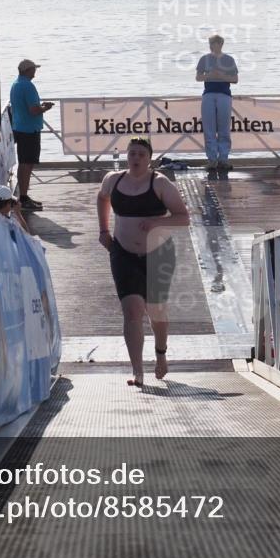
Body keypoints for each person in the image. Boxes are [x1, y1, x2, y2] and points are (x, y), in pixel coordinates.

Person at [96, 137, 190, 387]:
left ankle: (161, 355)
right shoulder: (113, 180)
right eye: (132, 153)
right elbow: (102, 198)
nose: (136, 158)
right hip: (123, 252)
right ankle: (138, 371)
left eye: (141, 154)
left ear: (149, 159)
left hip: (158, 254)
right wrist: (104, 231)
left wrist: (158, 222)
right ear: (127, 156)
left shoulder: (160, 183)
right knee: (132, 309)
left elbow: (183, 218)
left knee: (156, 310)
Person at [9, 59, 54, 212]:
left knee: (23, 162)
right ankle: (23, 197)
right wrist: (45, 107)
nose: (35, 72)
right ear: (28, 70)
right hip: (29, 130)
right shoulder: (28, 86)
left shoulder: (15, 84)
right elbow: (34, 110)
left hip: (19, 128)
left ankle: (24, 196)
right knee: (27, 164)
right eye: (34, 69)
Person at [195, 35, 239, 171]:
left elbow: (235, 79)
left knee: (224, 128)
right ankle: (212, 160)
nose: (212, 45)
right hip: (208, 94)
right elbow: (198, 77)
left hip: (224, 94)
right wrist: (209, 75)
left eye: (215, 43)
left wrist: (221, 76)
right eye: (211, 43)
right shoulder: (204, 59)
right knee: (209, 129)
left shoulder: (229, 59)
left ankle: (223, 159)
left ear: (221, 44)